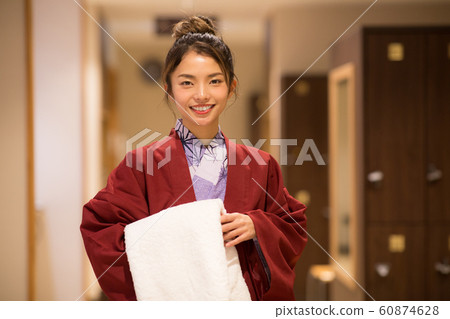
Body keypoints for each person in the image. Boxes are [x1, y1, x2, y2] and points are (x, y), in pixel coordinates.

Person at [80, 15, 307, 301]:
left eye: (214, 81)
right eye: (187, 83)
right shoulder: (140, 165)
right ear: (169, 89)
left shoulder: (260, 166)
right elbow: (99, 227)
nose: (201, 95)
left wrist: (257, 226)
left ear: (231, 87)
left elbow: (291, 226)